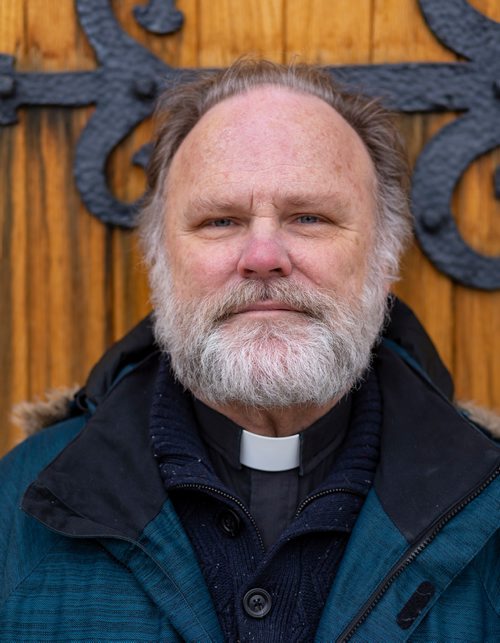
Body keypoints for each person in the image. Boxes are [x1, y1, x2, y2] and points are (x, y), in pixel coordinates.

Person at [1, 59, 499, 642]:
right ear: (158, 263)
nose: (263, 255)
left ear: (385, 258)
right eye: (220, 221)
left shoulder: (485, 506)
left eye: (309, 217)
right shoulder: (19, 510)